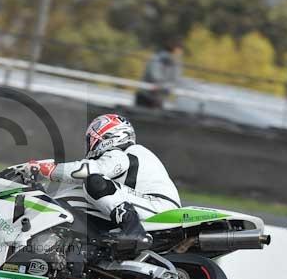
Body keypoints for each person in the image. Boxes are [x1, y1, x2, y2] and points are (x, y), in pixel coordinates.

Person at [26, 114, 180, 249]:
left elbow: (92, 170)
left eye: (92, 140)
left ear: (107, 137)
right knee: (86, 190)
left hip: (159, 207)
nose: (90, 145)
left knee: (94, 181)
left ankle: (134, 231)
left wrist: (50, 170)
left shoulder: (121, 153)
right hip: (151, 205)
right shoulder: (130, 154)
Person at [135, 40, 183, 109]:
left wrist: (162, 87)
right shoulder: (157, 59)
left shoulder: (176, 64)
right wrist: (164, 86)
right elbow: (155, 77)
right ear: (174, 50)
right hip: (145, 96)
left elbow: (175, 81)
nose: (180, 55)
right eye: (179, 52)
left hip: (159, 99)